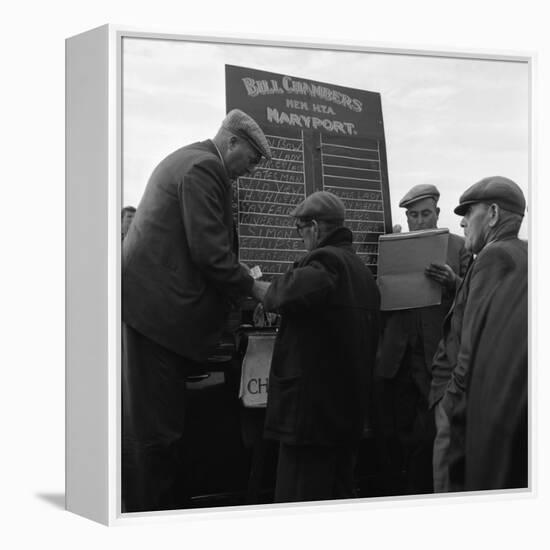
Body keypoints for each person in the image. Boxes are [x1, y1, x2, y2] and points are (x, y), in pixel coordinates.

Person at [121, 109, 272, 512]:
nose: (252, 170)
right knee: (154, 436)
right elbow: (209, 252)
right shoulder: (206, 168)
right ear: (231, 142)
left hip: (153, 316)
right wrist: (255, 289)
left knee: (156, 430)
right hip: (157, 320)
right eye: (252, 159)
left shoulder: (191, 161)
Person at [261, 191, 381, 503]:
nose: (301, 239)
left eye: (301, 230)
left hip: (312, 422)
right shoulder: (362, 271)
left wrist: (251, 285)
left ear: (314, 227)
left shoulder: (327, 261)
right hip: (345, 417)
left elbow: (284, 295)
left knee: (299, 502)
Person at [430, 176, 527, 492]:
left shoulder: (492, 256)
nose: (461, 224)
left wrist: (450, 403)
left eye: (468, 213)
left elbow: (471, 344)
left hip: (465, 404)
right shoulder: (521, 253)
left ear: (494, 214)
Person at [376, 184, 470, 495]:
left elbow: (474, 297)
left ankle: (426, 490)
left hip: (435, 356)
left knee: (429, 434)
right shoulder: (395, 245)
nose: (419, 221)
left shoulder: (459, 247)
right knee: (394, 432)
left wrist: (453, 282)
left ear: (437, 214)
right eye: (413, 215)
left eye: (425, 213)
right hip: (397, 355)